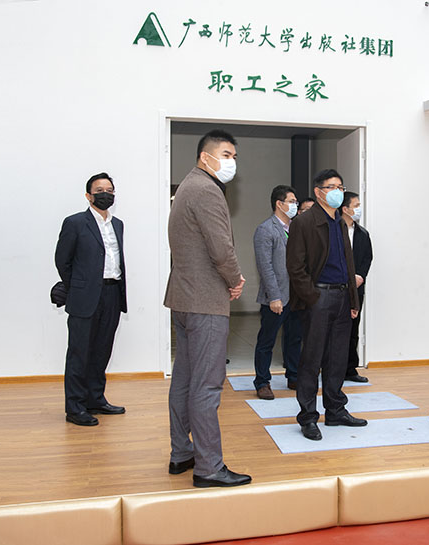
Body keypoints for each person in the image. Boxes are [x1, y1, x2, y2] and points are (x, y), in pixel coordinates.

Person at [164, 130, 251, 488]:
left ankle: (181, 451)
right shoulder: (207, 190)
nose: (232, 162)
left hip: (184, 298)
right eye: (226, 155)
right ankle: (209, 467)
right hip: (205, 302)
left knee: (184, 380)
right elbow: (221, 248)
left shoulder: (187, 186)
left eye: (234, 156)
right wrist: (235, 279)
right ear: (206, 157)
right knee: (207, 385)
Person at [286, 169, 366, 441]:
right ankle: (308, 417)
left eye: (340, 187)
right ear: (318, 192)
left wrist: (353, 299)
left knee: (338, 358)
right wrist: (312, 297)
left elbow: (348, 263)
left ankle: (335, 410)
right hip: (318, 297)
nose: (337, 192)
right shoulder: (304, 222)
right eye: (331, 187)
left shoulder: (340, 222)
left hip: (342, 297)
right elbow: (295, 267)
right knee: (312, 360)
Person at [55, 173, 127, 427]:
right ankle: (75, 407)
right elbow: (62, 260)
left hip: (112, 293)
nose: (105, 194)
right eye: (99, 190)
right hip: (84, 297)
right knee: (79, 354)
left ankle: (95, 399)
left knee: (101, 351)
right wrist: (78, 287)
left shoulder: (118, 224)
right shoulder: (75, 223)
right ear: (89, 196)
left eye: (109, 190)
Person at [252, 185, 303, 399]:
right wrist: (274, 296)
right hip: (276, 297)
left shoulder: (297, 228)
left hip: (296, 296)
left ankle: (293, 376)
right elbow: (265, 267)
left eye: (296, 202)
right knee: (267, 340)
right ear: (279, 204)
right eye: (292, 201)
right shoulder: (266, 229)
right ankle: (262, 382)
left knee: (294, 338)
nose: (295, 205)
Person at [340, 191, 373, 383]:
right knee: (333, 330)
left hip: (357, 288)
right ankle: (331, 367)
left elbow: (367, 257)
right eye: (356, 205)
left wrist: (360, 276)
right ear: (345, 209)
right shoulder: (333, 230)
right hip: (336, 287)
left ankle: (350, 369)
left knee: (353, 329)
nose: (359, 209)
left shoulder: (362, 233)